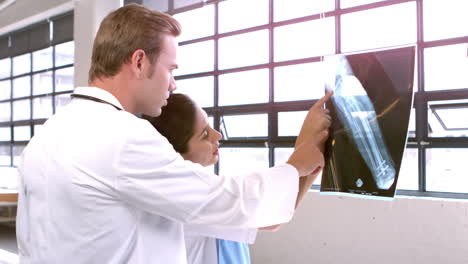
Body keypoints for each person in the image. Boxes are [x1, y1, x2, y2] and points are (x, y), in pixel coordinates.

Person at [16, 4, 331, 264]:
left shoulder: (45, 138)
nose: (173, 84)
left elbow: (30, 245)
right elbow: (225, 200)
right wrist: (296, 164)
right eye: (171, 69)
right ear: (139, 61)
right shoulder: (123, 136)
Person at [142, 93, 324, 264]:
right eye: (204, 134)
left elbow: (273, 209)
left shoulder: (202, 186)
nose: (217, 135)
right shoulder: (184, 197)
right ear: (177, 154)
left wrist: (312, 156)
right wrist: (305, 148)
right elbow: (269, 217)